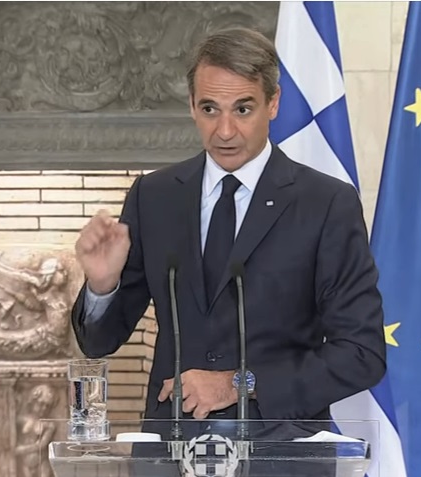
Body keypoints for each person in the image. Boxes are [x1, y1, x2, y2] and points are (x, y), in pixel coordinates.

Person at [71, 26, 385, 447]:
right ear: (191, 106)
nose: (224, 131)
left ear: (273, 103)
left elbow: (362, 354)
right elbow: (98, 343)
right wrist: (102, 287)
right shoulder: (154, 196)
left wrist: (239, 383)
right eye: (209, 109)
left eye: (242, 109)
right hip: (173, 452)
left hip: (281, 453)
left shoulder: (325, 203)